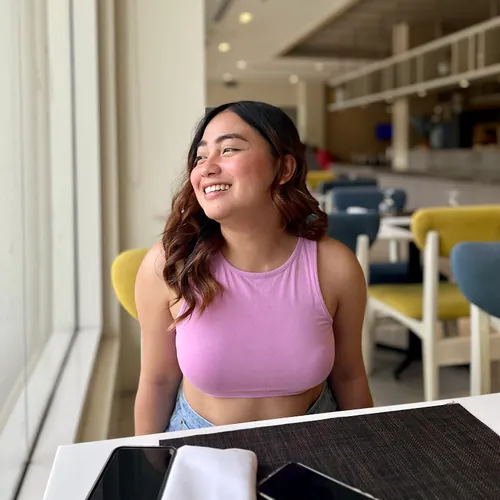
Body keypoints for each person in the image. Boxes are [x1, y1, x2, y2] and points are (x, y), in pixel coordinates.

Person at [134, 101, 373, 435]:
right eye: (200, 157)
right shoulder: (167, 264)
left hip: (315, 443)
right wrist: (147, 461)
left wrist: (367, 452)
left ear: (284, 168)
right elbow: (157, 381)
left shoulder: (335, 267)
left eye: (228, 149)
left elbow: (349, 377)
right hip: (199, 445)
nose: (207, 168)